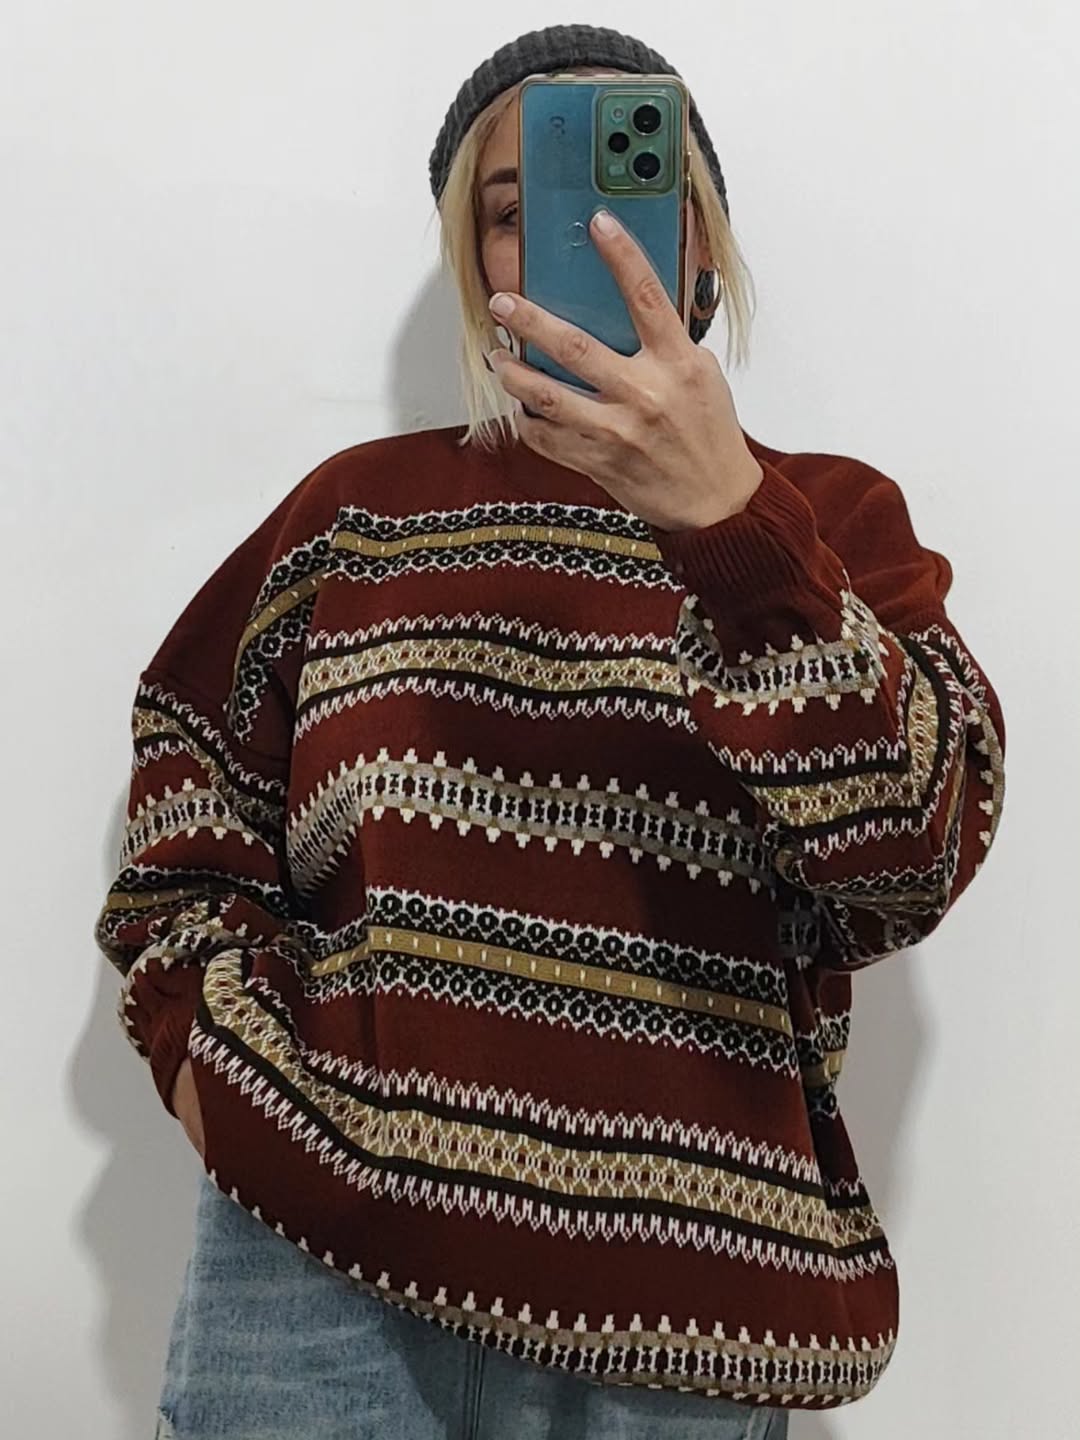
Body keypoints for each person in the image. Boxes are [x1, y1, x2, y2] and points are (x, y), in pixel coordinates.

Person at [93, 23, 1005, 1440]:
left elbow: (908, 861)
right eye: (510, 211)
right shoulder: (356, 511)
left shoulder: (827, 520)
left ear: (703, 246)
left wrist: (733, 530)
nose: (572, 236)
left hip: (688, 1303)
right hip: (315, 1276)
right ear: (476, 265)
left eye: (624, 190)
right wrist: (219, 1076)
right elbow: (186, 790)